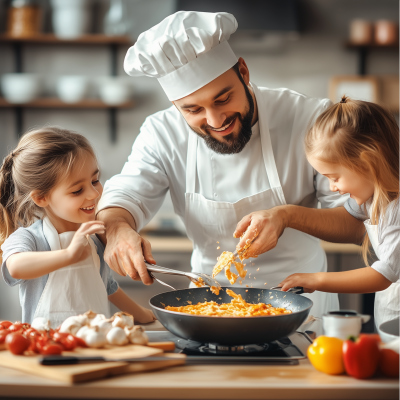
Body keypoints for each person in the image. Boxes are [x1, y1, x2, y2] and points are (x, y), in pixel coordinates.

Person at [96, 11, 365, 320]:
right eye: (194, 109)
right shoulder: (162, 132)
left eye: (223, 99)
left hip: (303, 306)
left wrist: (287, 215)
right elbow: (126, 195)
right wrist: (117, 229)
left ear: (243, 71)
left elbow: (358, 224)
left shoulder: (309, 118)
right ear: (175, 107)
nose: (215, 120)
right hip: (208, 308)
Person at [0, 127, 155, 328]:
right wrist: (68, 255)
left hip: (95, 341)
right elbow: (16, 267)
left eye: (95, 181)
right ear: (41, 198)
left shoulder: (95, 237)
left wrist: (139, 313)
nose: (93, 194)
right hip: (47, 345)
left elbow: (106, 286)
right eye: (77, 190)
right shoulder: (29, 237)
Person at [278, 97, 399, 328]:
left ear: (368, 163)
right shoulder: (371, 199)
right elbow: (346, 214)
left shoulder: (396, 211)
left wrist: (316, 279)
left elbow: (382, 276)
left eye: (334, 178)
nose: (333, 188)